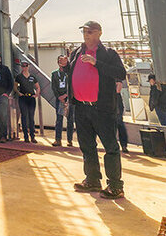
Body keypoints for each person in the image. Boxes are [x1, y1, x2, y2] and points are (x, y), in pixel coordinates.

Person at [65, 21, 127, 199]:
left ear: (99, 33)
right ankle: (92, 179)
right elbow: (73, 73)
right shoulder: (77, 53)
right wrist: (65, 66)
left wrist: (96, 62)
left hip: (102, 108)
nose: (86, 35)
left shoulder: (108, 54)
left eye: (90, 32)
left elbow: (120, 73)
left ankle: (115, 186)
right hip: (81, 107)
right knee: (87, 146)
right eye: (84, 31)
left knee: (110, 146)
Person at [50, 54, 75, 147]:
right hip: (59, 99)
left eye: (64, 61)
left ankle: (69, 140)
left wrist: (67, 95)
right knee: (59, 119)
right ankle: (58, 139)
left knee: (70, 119)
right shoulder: (54, 74)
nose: (62, 63)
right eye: (60, 61)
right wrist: (59, 97)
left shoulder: (69, 73)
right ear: (58, 62)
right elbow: (53, 87)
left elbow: (71, 85)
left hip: (69, 99)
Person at [14, 60, 40, 143]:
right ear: (21, 67)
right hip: (23, 98)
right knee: (24, 116)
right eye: (23, 66)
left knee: (31, 117)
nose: (24, 67)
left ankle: (32, 136)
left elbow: (38, 87)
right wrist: (19, 93)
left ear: (28, 66)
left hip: (31, 98)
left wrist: (36, 94)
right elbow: (15, 87)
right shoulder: (19, 77)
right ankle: (26, 137)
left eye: (26, 66)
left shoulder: (32, 77)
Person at [115, 81, 129, 152]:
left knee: (120, 126)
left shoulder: (118, 95)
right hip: (114, 110)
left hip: (117, 110)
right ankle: (122, 145)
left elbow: (118, 88)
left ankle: (123, 145)